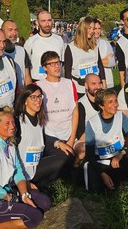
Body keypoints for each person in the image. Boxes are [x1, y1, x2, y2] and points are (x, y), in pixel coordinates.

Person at [0, 107, 51, 229]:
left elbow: (18, 173)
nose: (12, 126)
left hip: (7, 193)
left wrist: (24, 195)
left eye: (13, 122)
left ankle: (12, 216)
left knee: (45, 202)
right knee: (35, 216)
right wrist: (13, 199)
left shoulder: (11, 146)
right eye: (7, 123)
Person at [85, 89, 128, 195]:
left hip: (118, 159)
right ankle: (117, 182)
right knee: (96, 190)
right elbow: (89, 155)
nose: (115, 105)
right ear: (101, 106)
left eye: (116, 101)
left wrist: (121, 153)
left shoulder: (120, 116)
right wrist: (102, 174)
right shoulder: (92, 123)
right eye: (110, 102)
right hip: (102, 163)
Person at [37, 51, 79, 179]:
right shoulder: (38, 86)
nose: (57, 66)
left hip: (69, 134)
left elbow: (75, 111)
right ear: (44, 67)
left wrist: (72, 139)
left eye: (58, 63)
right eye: (52, 64)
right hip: (51, 137)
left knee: (83, 151)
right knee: (64, 158)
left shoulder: (69, 83)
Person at [64, 16, 106, 97]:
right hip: (79, 89)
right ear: (83, 28)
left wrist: (104, 84)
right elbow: (67, 72)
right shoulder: (71, 47)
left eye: (93, 28)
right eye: (89, 28)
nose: (91, 31)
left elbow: (100, 65)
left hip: (95, 89)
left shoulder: (95, 46)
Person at [24, 11, 65, 81]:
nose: (47, 24)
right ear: (37, 22)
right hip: (38, 81)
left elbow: (63, 63)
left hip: (56, 81)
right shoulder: (30, 42)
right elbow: (25, 67)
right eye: (43, 21)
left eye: (49, 20)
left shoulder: (59, 39)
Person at [75, 74, 103, 167]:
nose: (98, 87)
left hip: (102, 137)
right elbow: (80, 135)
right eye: (94, 84)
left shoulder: (105, 101)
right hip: (84, 140)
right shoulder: (81, 104)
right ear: (86, 86)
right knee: (85, 149)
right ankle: (74, 166)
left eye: (100, 83)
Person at [2, 19, 32, 89]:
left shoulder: (21, 50)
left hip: (20, 94)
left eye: (16, 30)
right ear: (2, 32)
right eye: (10, 30)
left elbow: (27, 76)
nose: (14, 33)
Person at [94, 19, 116, 89]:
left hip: (108, 81)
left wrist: (96, 62)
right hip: (94, 82)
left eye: (99, 28)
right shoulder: (86, 45)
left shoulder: (105, 43)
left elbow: (112, 62)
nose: (97, 31)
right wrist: (104, 59)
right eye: (95, 28)